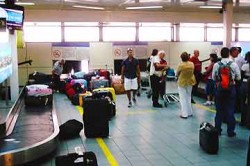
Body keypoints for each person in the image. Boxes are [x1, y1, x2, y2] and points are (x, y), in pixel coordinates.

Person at [212, 47, 241, 137]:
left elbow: (213, 77)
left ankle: (218, 130)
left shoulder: (217, 65)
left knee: (219, 111)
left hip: (220, 90)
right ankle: (230, 131)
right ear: (229, 54)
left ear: (221, 54)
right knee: (230, 110)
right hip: (231, 90)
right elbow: (238, 78)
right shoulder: (234, 64)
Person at [176, 52, 196, 119]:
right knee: (188, 97)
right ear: (188, 57)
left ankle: (184, 114)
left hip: (182, 82)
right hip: (190, 82)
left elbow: (177, 73)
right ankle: (189, 112)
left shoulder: (181, 65)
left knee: (182, 98)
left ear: (181, 58)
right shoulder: (192, 64)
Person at [240, 51, 250, 126]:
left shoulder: (245, 66)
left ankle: (243, 121)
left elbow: (241, 76)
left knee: (243, 103)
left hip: (245, 84)